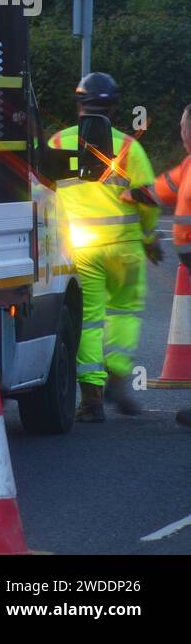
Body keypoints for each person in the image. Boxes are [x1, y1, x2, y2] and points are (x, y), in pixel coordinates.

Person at [49, 72, 161, 422]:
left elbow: (40, 193)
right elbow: (147, 198)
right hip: (125, 249)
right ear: (113, 107)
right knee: (125, 312)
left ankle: (92, 399)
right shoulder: (129, 147)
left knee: (91, 319)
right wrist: (148, 237)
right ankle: (117, 372)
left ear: (79, 105)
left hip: (81, 249)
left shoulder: (57, 143)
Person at [151, 104, 191, 430]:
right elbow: (161, 189)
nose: (180, 132)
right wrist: (125, 192)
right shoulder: (188, 165)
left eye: (182, 126)